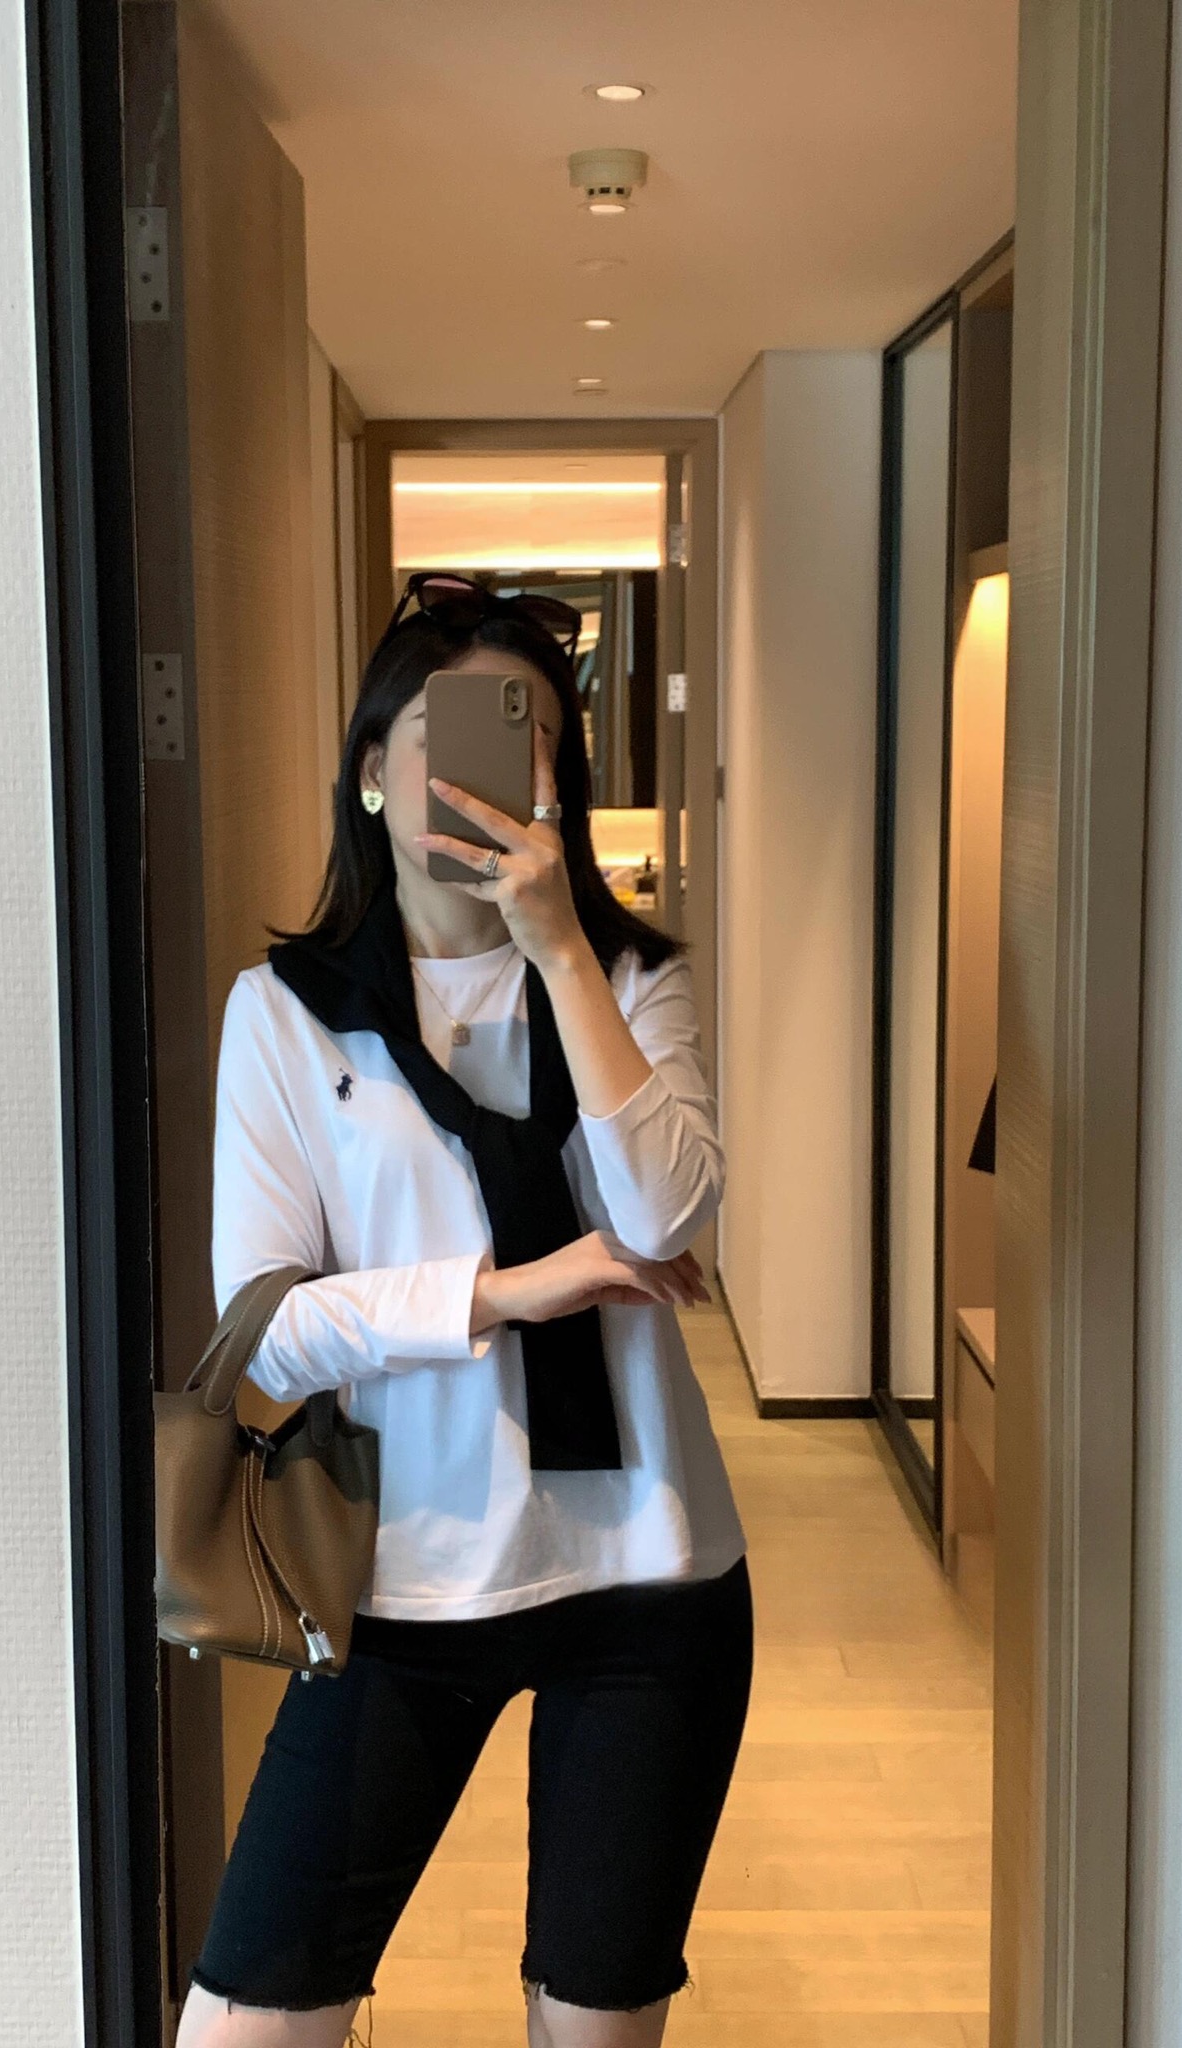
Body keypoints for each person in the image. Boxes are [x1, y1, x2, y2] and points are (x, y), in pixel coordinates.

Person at [177, 574, 752, 2048]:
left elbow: (671, 1219)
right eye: (442, 734)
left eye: (529, 736)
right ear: (373, 772)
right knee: (250, 2017)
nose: (492, 767)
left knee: (595, 2023)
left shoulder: (635, 981)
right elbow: (266, 1324)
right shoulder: (286, 1013)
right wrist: (509, 1293)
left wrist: (560, 948)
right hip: (401, 1579)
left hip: (649, 1569)